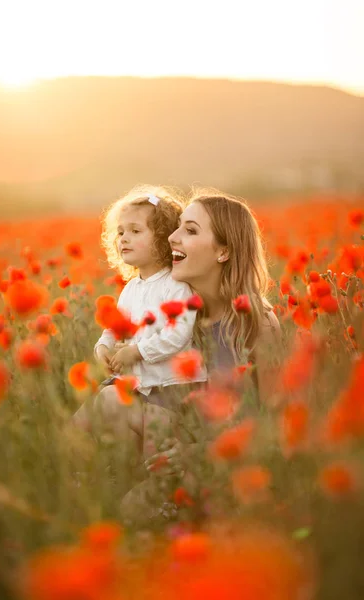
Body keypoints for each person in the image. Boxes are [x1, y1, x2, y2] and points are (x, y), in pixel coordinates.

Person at [120, 188, 282, 523]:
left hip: (231, 474)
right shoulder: (174, 323)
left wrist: (200, 453)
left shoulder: (256, 325)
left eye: (190, 231)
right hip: (166, 462)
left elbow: (276, 425)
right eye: (177, 227)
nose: (173, 238)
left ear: (223, 251)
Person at [73, 185, 207, 481]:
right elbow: (114, 326)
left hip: (171, 386)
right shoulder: (132, 288)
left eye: (135, 231)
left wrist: (137, 351)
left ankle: (163, 499)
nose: (124, 238)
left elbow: (179, 335)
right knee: (86, 419)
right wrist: (103, 347)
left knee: (154, 458)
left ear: (161, 238)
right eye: (120, 232)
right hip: (139, 383)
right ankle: (82, 473)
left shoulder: (176, 284)